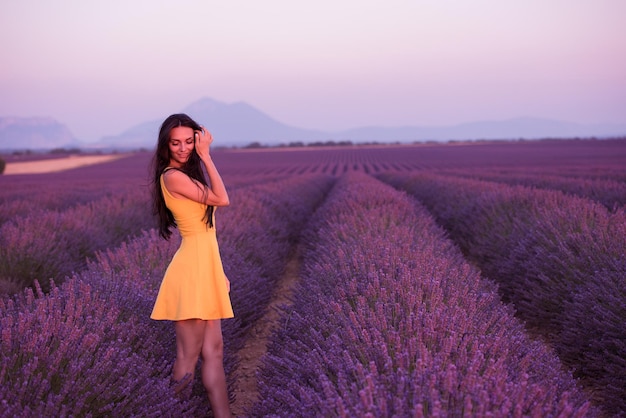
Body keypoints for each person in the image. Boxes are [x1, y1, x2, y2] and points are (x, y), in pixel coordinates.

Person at [150, 113, 233, 417]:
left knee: (214, 352)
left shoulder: (188, 175)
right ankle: (172, 412)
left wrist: (219, 273)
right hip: (190, 274)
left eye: (189, 141)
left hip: (205, 271)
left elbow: (207, 233)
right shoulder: (173, 176)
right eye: (176, 143)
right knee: (187, 359)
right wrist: (207, 155)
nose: (183, 148)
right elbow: (221, 199)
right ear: (166, 146)